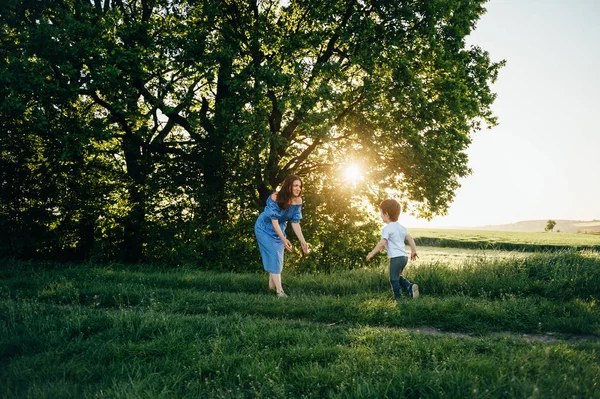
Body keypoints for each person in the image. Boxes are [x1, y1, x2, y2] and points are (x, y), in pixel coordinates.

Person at [254, 175, 310, 297]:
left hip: (279, 229)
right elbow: (274, 220)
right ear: (288, 186)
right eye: (295, 185)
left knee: (277, 258)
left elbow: (295, 222)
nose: (298, 189)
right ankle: (280, 292)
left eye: (300, 186)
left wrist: (303, 241)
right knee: (274, 255)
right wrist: (283, 239)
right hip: (264, 228)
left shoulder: (298, 201)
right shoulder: (275, 197)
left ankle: (271, 288)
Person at [366, 199, 419, 299]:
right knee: (397, 277)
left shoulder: (387, 228)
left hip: (396, 258)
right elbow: (410, 238)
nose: (380, 215)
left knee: (393, 279)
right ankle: (410, 286)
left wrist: (372, 253)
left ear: (386, 214)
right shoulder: (401, 227)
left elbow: (383, 243)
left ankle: (398, 299)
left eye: (381, 213)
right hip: (404, 257)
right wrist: (413, 251)